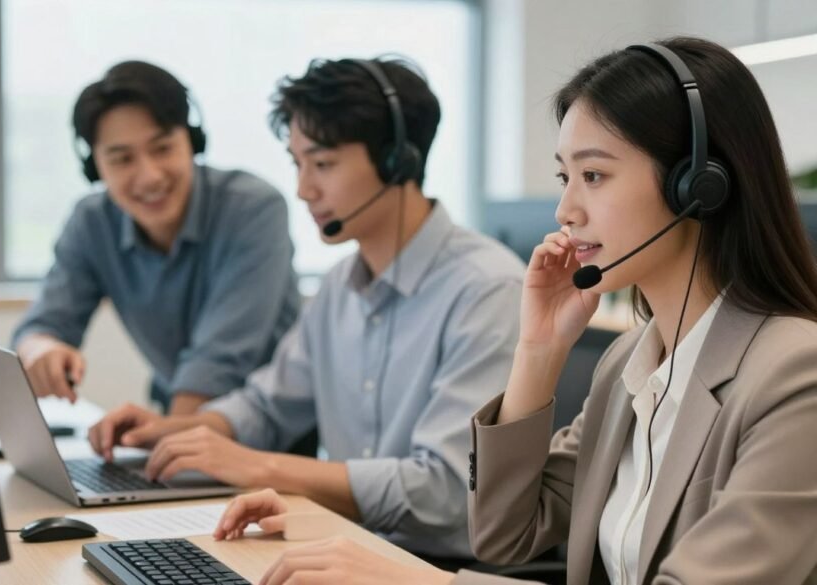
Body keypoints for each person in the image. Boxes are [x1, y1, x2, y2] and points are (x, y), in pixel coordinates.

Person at [216, 37, 817, 584]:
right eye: (564, 177)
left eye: (593, 174)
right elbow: (505, 535)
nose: (566, 210)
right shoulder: (631, 363)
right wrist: (538, 352)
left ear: (698, 184)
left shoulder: (795, 378)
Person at [87, 56, 525, 558]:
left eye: (322, 164)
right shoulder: (341, 286)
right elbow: (266, 405)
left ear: (396, 160)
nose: (303, 189)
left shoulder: (486, 291)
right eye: (297, 164)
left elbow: (445, 491)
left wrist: (261, 468)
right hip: (345, 549)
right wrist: (171, 432)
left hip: (438, 569)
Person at [12, 61, 300, 415]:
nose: (148, 176)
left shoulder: (253, 208)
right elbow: (42, 326)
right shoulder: (92, 222)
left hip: (273, 432)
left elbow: (219, 361)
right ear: (94, 168)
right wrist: (41, 350)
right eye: (122, 159)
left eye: (162, 149)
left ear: (192, 142)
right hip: (180, 421)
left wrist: (167, 440)